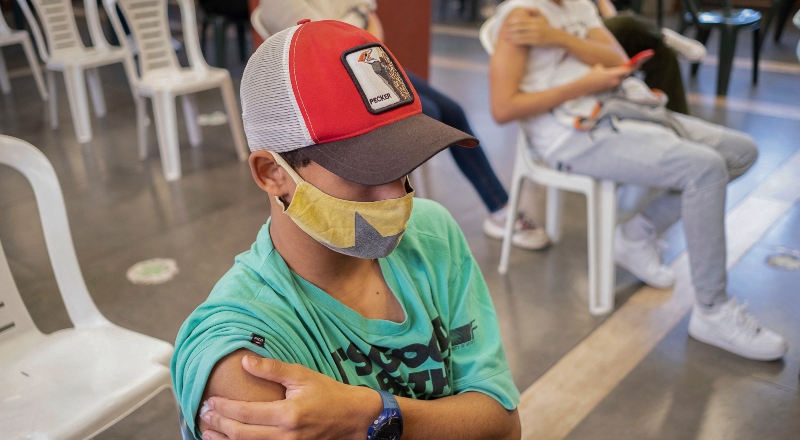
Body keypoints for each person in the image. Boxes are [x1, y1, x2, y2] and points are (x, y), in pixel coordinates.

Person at [171, 20, 521, 440]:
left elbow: (501, 425)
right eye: (366, 170)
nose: (396, 196)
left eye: (403, 161)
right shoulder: (247, 352)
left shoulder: (432, 233)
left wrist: (372, 416)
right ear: (272, 174)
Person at [487, 0, 787, 361]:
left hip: (615, 109)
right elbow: (503, 108)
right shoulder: (522, 16)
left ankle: (635, 236)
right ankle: (712, 309)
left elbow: (615, 59)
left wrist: (558, 38)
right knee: (704, 168)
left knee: (742, 151)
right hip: (570, 135)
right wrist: (583, 83)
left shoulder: (575, 4)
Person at [257, 0, 550, 250]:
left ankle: (499, 207)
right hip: (328, 85)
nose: (399, 193)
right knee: (430, 111)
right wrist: (356, 22)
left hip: (367, 62)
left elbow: (367, 28)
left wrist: (355, 27)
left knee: (452, 111)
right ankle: (388, 212)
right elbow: (324, 48)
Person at [502, 0, 705, 114]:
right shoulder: (522, 11)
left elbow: (601, 12)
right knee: (626, 24)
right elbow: (504, 108)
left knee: (661, 53)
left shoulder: (578, 6)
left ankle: (673, 122)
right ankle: (659, 35)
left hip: (589, 29)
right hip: (581, 41)